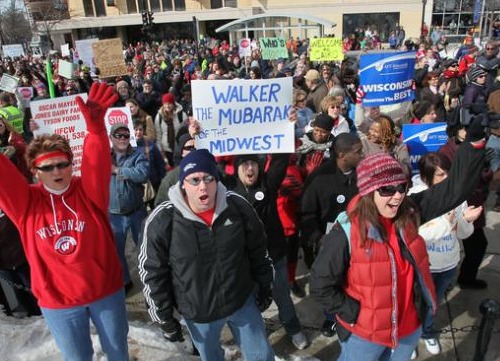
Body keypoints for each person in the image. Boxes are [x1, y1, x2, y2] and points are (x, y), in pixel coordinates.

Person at [310, 111, 488, 360]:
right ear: (368, 191)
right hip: (365, 336)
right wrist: (353, 312)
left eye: (401, 187)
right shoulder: (346, 232)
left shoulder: (411, 211)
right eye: (386, 189)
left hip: (406, 331)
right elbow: (320, 284)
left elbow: (454, 190)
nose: (397, 195)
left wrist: (475, 143)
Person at [0, 82, 129, 361]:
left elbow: (97, 165)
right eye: (48, 167)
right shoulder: (26, 204)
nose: (57, 171)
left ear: (71, 164)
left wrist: (95, 129)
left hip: (104, 292)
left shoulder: (88, 192)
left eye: (62, 164)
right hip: (58, 303)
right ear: (35, 171)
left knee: (118, 354)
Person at [138, 149, 276, 361]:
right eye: (194, 180)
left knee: (261, 355)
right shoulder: (164, 219)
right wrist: (163, 316)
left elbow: (259, 250)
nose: (202, 186)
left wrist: (266, 285)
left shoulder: (237, 206)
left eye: (208, 178)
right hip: (198, 312)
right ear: (183, 183)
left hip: (240, 300)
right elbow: (152, 271)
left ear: (216, 180)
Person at [225, 153, 310, 350]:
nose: (249, 169)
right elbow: (207, 170)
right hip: (246, 261)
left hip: (274, 255)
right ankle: (257, 332)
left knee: (282, 296)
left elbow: (280, 160)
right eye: (244, 164)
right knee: (252, 301)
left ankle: (293, 328)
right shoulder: (228, 190)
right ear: (236, 169)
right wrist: (197, 139)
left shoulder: (268, 184)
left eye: (253, 163)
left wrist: (284, 126)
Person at [408, 152, 480, 356]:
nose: (446, 179)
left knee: (433, 304)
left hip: (448, 264)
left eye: (448, 173)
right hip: (423, 266)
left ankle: (427, 332)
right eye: (440, 175)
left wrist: (467, 220)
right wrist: (445, 224)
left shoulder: (457, 196)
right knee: (414, 305)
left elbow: (464, 234)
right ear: (425, 177)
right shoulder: (415, 198)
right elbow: (412, 237)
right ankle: (409, 340)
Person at [300, 133, 364, 336]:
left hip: (359, 242)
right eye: (358, 151)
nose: (362, 154)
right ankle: (331, 318)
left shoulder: (364, 174)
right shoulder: (318, 179)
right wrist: (318, 239)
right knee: (331, 283)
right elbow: (306, 214)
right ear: (342, 154)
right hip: (327, 245)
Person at [108, 122, 149, 292]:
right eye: (119, 135)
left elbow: (142, 174)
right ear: (111, 138)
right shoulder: (103, 156)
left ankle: (149, 281)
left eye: (126, 135)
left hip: (136, 211)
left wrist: (118, 170)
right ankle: (125, 281)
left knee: (145, 249)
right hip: (113, 215)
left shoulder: (138, 155)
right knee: (116, 252)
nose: (123, 139)